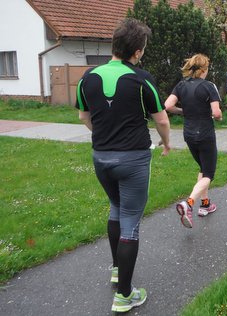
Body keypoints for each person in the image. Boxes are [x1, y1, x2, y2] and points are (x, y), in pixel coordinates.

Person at [75, 18, 170, 313]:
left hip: (101, 158)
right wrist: (166, 143)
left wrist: (104, 138)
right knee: (130, 220)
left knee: (116, 209)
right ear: (138, 51)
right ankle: (125, 296)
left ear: (114, 45)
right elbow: (162, 118)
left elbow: (83, 117)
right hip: (133, 160)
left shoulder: (87, 77)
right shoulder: (142, 78)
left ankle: (118, 270)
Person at [164, 54, 222, 229]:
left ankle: (205, 205)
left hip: (188, 134)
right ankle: (188, 203)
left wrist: (185, 111)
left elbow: (167, 106)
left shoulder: (181, 85)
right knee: (209, 174)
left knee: (202, 169)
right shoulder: (209, 86)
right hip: (205, 133)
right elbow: (217, 113)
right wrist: (217, 117)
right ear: (204, 69)